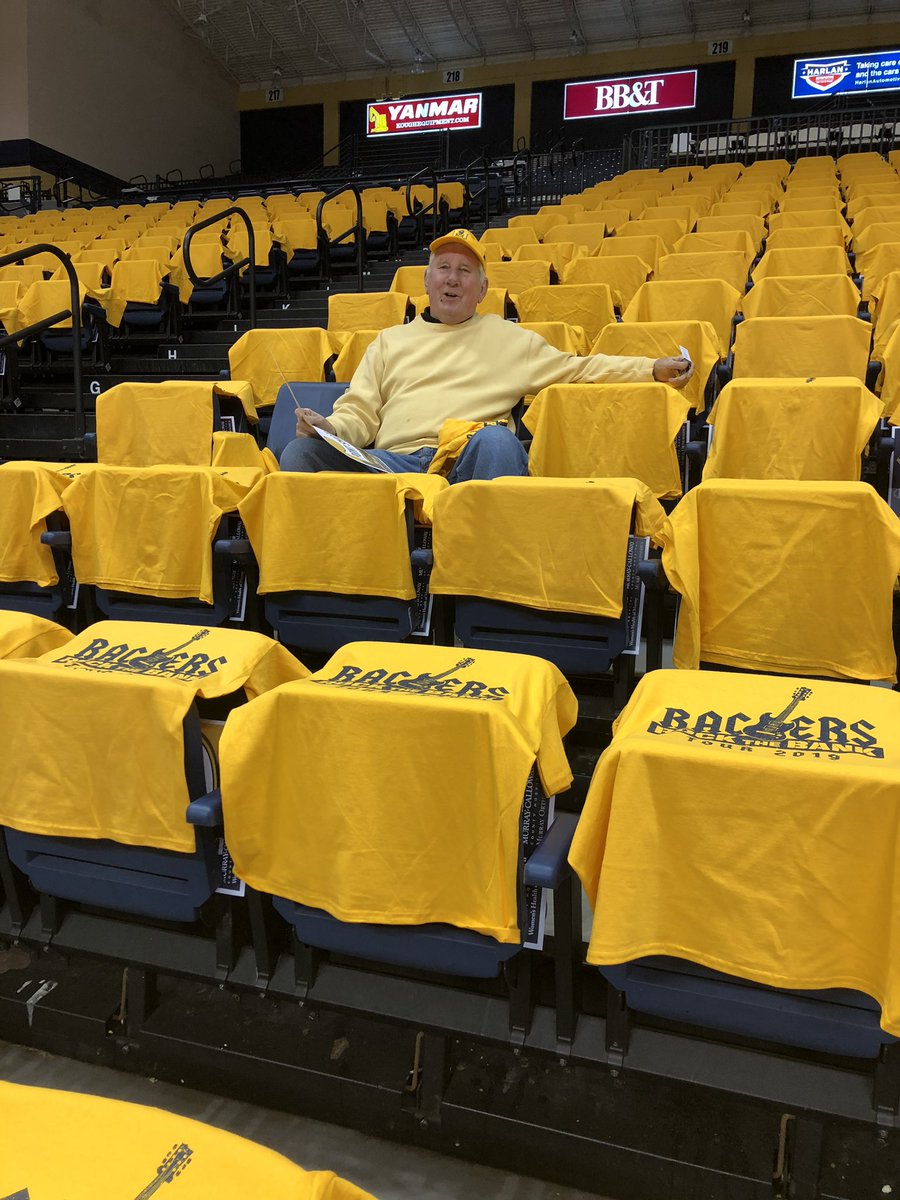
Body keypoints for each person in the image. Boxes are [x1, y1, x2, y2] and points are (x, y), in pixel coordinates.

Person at [280, 228, 694, 481]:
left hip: (468, 457)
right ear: (426, 280)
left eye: (465, 272)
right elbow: (360, 412)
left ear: (482, 289)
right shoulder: (388, 341)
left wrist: (650, 368)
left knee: (497, 440)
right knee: (300, 453)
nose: (452, 280)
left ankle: (479, 584)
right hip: (393, 464)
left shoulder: (510, 339)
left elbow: (580, 370)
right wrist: (329, 427)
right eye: (443, 268)